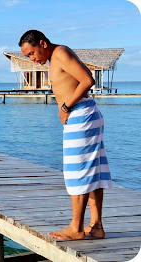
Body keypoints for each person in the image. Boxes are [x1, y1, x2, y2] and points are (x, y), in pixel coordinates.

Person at [18, 30, 113, 241]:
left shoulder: (60, 53)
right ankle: (96, 226)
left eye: (32, 53)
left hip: (81, 115)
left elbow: (87, 80)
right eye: (28, 57)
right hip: (85, 115)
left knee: (77, 171)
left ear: (42, 43)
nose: (32, 59)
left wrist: (65, 106)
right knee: (92, 172)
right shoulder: (55, 57)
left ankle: (76, 228)